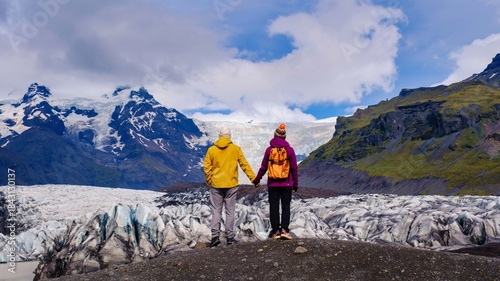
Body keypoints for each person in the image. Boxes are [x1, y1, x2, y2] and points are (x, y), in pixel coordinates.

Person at [204, 126, 256, 247]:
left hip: (216, 184)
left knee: (216, 210)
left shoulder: (211, 150)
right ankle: (230, 238)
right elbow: (244, 164)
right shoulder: (235, 149)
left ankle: (215, 237)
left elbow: (207, 167)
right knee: (230, 211)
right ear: (229, 136)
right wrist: (253, 178)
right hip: (231, 184)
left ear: (219, 136)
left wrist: (209, 181)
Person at [252, 123, 298, 240]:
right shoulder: (290, 150)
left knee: (274, 206)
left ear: (274, 135)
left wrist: (257, 180)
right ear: (284, 136)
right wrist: (295, 183)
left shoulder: (269, 150)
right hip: (287, 183)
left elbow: (263, 167)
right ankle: (285, 230)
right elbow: (294, 168)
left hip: (273, 184)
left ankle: (275, 231)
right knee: (286, 206)